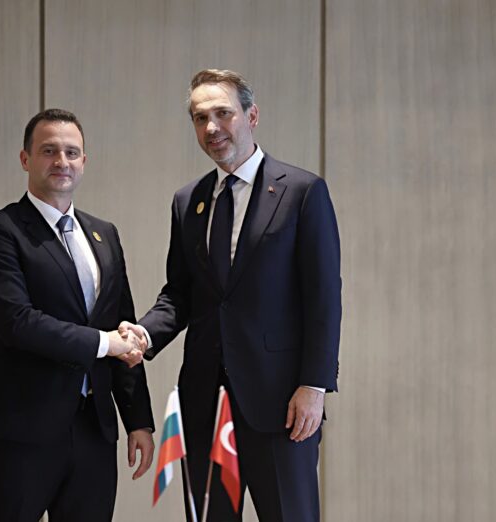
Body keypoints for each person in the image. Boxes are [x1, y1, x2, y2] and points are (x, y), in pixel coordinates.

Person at [122, 69, 341, 521]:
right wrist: (143, 334)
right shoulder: (188, 201)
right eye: (200, 118)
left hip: (281, 402)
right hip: (204, 401)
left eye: (223, 113)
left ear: (251, 116)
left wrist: (314, 386)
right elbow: (179, 295)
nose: (211, 127)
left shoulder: (302, 192)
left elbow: (323, 298)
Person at [0, 108, 155, 522]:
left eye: (71, 152)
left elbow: (122, 326)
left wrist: (138, 420)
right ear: (26, 159)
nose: (61, 161)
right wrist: (105, 343)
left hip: (93, 429)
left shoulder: (105, 234)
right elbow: (17, 322)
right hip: (21, 428)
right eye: (48, 151)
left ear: (84, 161)